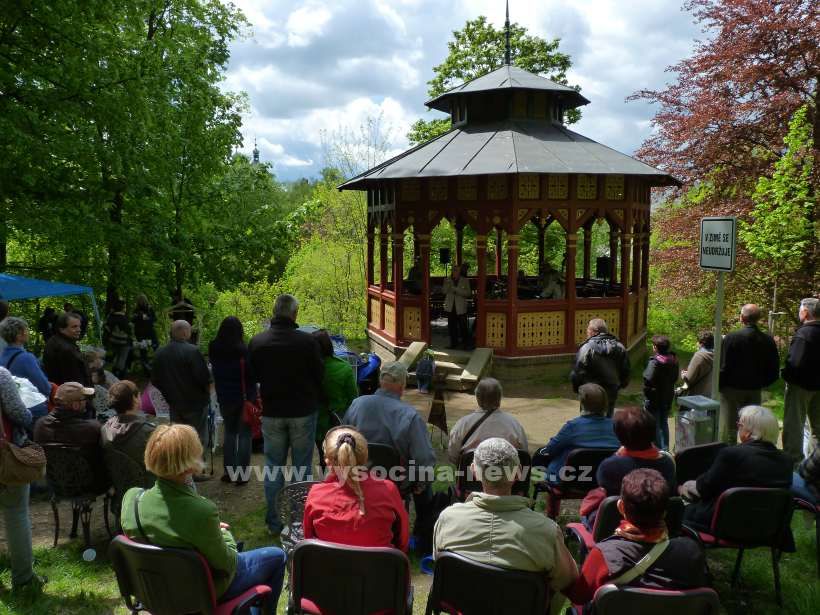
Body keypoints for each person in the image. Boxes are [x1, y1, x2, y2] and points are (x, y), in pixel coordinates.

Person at [120, 424, 286, 608]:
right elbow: (229, 564)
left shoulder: (131, 499)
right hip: (199, 594)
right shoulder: (202, 511)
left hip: (154, 591)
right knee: (277, 556)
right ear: (189, 464)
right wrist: (222, 533)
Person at [434, 438, 578, 613]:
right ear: (517, 473)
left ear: (474, 471)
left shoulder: (448, 518)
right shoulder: (546, 531)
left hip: (463, 607)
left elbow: (440, 567)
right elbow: (568, 580)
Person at [565, 469, 707, 609]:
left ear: (621, 507)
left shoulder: (604, 554)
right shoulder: (692, 551)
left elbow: (578, 596)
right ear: (665, 512)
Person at [249, 294, 323, 534]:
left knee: (273, 468)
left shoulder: (258, 342)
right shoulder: (307, 342)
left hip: (272, 412)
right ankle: (297, 522)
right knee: (301, 469)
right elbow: (318, 375)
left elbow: (252, 377)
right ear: (294, 314)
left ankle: (274, 522)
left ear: (274, 312)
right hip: (302, 411)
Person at [343, 361, 436, 550]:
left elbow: (342, 439)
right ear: (402, 386)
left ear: (380, 380)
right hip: (394, 480)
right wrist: (420, 482)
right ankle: (422, 538)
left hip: (358, 475)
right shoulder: (409, 415)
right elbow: (424, 459)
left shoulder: (357, 404)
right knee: (425, 481)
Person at [680, 405, 792, 531]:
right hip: (768, 527)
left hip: (726, 524)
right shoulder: (787, 460)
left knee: (678, 501)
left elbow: (704, 488)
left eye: (739, 425)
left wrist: (687, 485)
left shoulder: (731, 454)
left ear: (748, 432)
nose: (738, 428)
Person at [304, 426, 409, 551]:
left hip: (329, 569)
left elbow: (308, 539)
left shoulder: (316, 494)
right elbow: (403, 539)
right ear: (365, 456)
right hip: (379, 568)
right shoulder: (388, 489)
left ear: (327, 461)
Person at [581, 407, 676, 528]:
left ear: (619, 435)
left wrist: (617, 454)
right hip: (658, 524)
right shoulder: (667, 463)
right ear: (653, 432)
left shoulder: (609, 466)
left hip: (615, 525)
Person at [0, 366, 44, 592]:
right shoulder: (0, 374)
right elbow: (20, 413)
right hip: (5, 458)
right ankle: (24, 579)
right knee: (16, 515)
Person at [532, 383, 619, 484]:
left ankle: (548, 495)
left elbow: (550, 449)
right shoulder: (617, 426)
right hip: (605, 478)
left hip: (571, 480)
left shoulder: (573, 426)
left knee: (541, 454)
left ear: (582, 404)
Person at [719, 304, 779, 444]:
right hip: (754, 388)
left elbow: (723, 365)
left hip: (731, 389)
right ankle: (749, 451)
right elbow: (774, 368)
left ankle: (728, 452)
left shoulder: (731, 338)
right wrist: (763, 383)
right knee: (752, 427)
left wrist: (720, 386)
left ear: (742, 318)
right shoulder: (767, 340)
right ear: (758, 319)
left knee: (729, 427)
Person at [33, 382, 109, 492]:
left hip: (56, 484)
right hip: (90, 485)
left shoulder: (40, 426)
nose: (87, 402)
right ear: (75, 405)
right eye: (84, 400)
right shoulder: (92, 428)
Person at [151, 320, 211, 454]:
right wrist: (206, 394)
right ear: (184, 332)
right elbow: (204, 378)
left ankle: (181, 469)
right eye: (189, 330)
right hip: (196, 404)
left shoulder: (160, 353)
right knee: (197, 438)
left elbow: (154, 380)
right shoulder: (192, 351)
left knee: (179, 438)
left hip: (174, 404)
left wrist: (168, 393)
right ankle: (196, 471)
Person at [209, 316, 255, 485]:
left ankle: (229, 472)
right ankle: (242, 475)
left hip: (224, 397)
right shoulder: (242, 349)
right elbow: (250, 374)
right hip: (243, 397)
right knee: (244, 435)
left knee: (229, 433)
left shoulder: (214, 348)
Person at [447, 377, 528, 465]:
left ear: (478, 398)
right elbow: (524, 454)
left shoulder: (463, 424)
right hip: (508, 476)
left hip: (470, 476)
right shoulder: (514, 424)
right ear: (499, 399)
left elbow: (453, 456)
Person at [781, 297, 820, 464]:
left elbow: (795, 364)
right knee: (817, 429)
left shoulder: (804, 333)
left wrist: (786, 375)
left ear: (805, 312)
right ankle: (814, 465)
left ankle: (793, 464)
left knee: (794, 426)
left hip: (800, 386)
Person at [571, 318, 630, 416]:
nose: (587, 332)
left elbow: (577, 372)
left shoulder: (586, 348)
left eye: (588, 330)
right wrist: (620, 385)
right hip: (611, 391)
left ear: (593, 332)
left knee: (587, 422)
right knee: (607, 421)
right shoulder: (620, 347)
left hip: (589, 393)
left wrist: (578, 389)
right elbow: (626, 371)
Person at [311, 329, 357, 456]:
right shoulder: (344, 368)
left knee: (322, 454)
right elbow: (353, 398)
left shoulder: (307, 369)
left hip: (315, 421)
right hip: (337, 420)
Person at [0, 317, 50, 425]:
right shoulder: (26, 358)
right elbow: (45, 387)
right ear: (19, 335)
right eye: (25, 330)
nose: (27, 333)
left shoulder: (2, 358)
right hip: (33, 411)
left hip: (10, 411)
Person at [100, 380, 156, 468]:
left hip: (119, 478)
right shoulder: (149, 432)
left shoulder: (104, 429)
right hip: (148, 479)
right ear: (135, 399)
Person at [642, 335, 678, 450]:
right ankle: (665, 448)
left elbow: (647, 378)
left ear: (656, 348)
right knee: (664, 423)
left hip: (654, 397)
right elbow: (675, 378)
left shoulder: (655, 362)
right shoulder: (673, 360)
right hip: (667, 396)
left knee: (654, 424)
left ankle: (658, 449)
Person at [42, 311, 92, 387]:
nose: (79, 329)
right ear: (62, 329)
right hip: (73, 394)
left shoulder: (56, 340)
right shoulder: (65, 350)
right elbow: (73, 380)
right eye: (74, 327)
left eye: (79, 326)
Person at [443, 263, 471, 349]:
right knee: (452, 327)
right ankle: (453, 344)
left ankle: (465, 345)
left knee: (463, 327)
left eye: (456, 270)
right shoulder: (447, 280)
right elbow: (444, 291)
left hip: (460, 307)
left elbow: (468, 293)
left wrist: (457, 290)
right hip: (450, 307)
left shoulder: (465, 280)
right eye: (453, 270)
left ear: (459, 272)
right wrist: (448, 285)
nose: (454, 272)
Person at [103, 299, 132, 379]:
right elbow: (129, 332)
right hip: (124, 343)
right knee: (121, 360)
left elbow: (106, 330)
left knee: (114, 359)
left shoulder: (110, 317)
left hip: (113, 342)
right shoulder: (124, 318)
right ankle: (118, 377)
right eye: (124, 307)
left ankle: (113, 375)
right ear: (122, 308)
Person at [681, 330, 714, 397]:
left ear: (701, 343)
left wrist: (683, 375)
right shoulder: (718, 355)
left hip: (696, 396)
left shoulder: (699, 356)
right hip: (711, 395)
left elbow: (689, 379)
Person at [132, 294, 158, 373]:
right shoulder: (136, 310)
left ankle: (158, 365)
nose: (141, 302)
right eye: (140, 301)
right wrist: (138, 317)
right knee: (143, 351)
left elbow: (154, 319)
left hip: (149, 332)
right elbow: (132, 320)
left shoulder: (149, 309)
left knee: (155, 347)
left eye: (142, 300)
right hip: (140, 334)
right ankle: (146, 370)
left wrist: (147, 318)